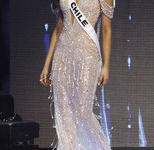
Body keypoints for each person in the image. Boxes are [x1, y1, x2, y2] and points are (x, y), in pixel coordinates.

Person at [40, 0, 114, 149]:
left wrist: (106, 66)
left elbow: (106, 29)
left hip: (88, 56)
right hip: (62, 56)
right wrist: (46, 65)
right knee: (64, 113)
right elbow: (58, 30)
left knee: (83, 111)